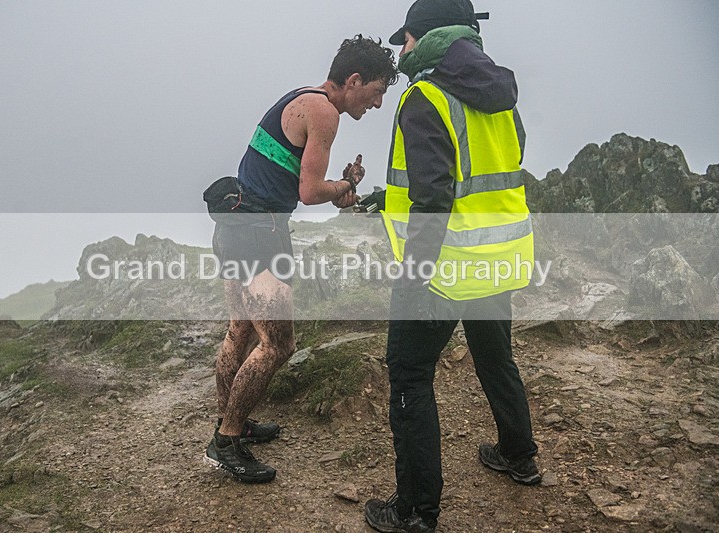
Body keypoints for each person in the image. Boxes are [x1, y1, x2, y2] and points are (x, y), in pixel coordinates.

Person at [364, 1, 540, 531]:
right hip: (496, 258)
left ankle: (415, 512)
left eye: (405, 39)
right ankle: (519, 455)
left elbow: (436, 197)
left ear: (428, 37)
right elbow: (496, 165)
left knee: (410, 375)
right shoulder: (500, 94)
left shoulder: (425, 96)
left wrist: (414, 277)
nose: (402, 50)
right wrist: (388, 197)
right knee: (496, 358)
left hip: (442, 269)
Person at [203, 35, 399, 484]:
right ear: (354, 80)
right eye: (376, 92)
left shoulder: (301, 97)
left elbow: (296, 180)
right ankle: (227, 440)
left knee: (240, 331)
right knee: (278, 344)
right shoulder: (325, 113)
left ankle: (231, 423)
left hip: (234, 224)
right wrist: (343, 189)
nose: (377, 103)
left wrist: (341, 186)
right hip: (261, 234)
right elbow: (310, 193)